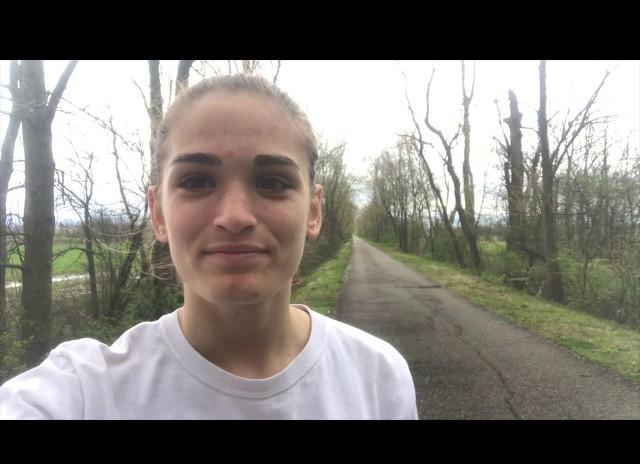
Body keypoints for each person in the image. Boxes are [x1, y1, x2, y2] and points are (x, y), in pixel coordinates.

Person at [0, 74, 418, 419]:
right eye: (196, 182)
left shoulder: (378, 376)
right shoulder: (85, 390)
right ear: (159, 213)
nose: (235, 216)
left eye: (272, 182)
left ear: (313, 211)